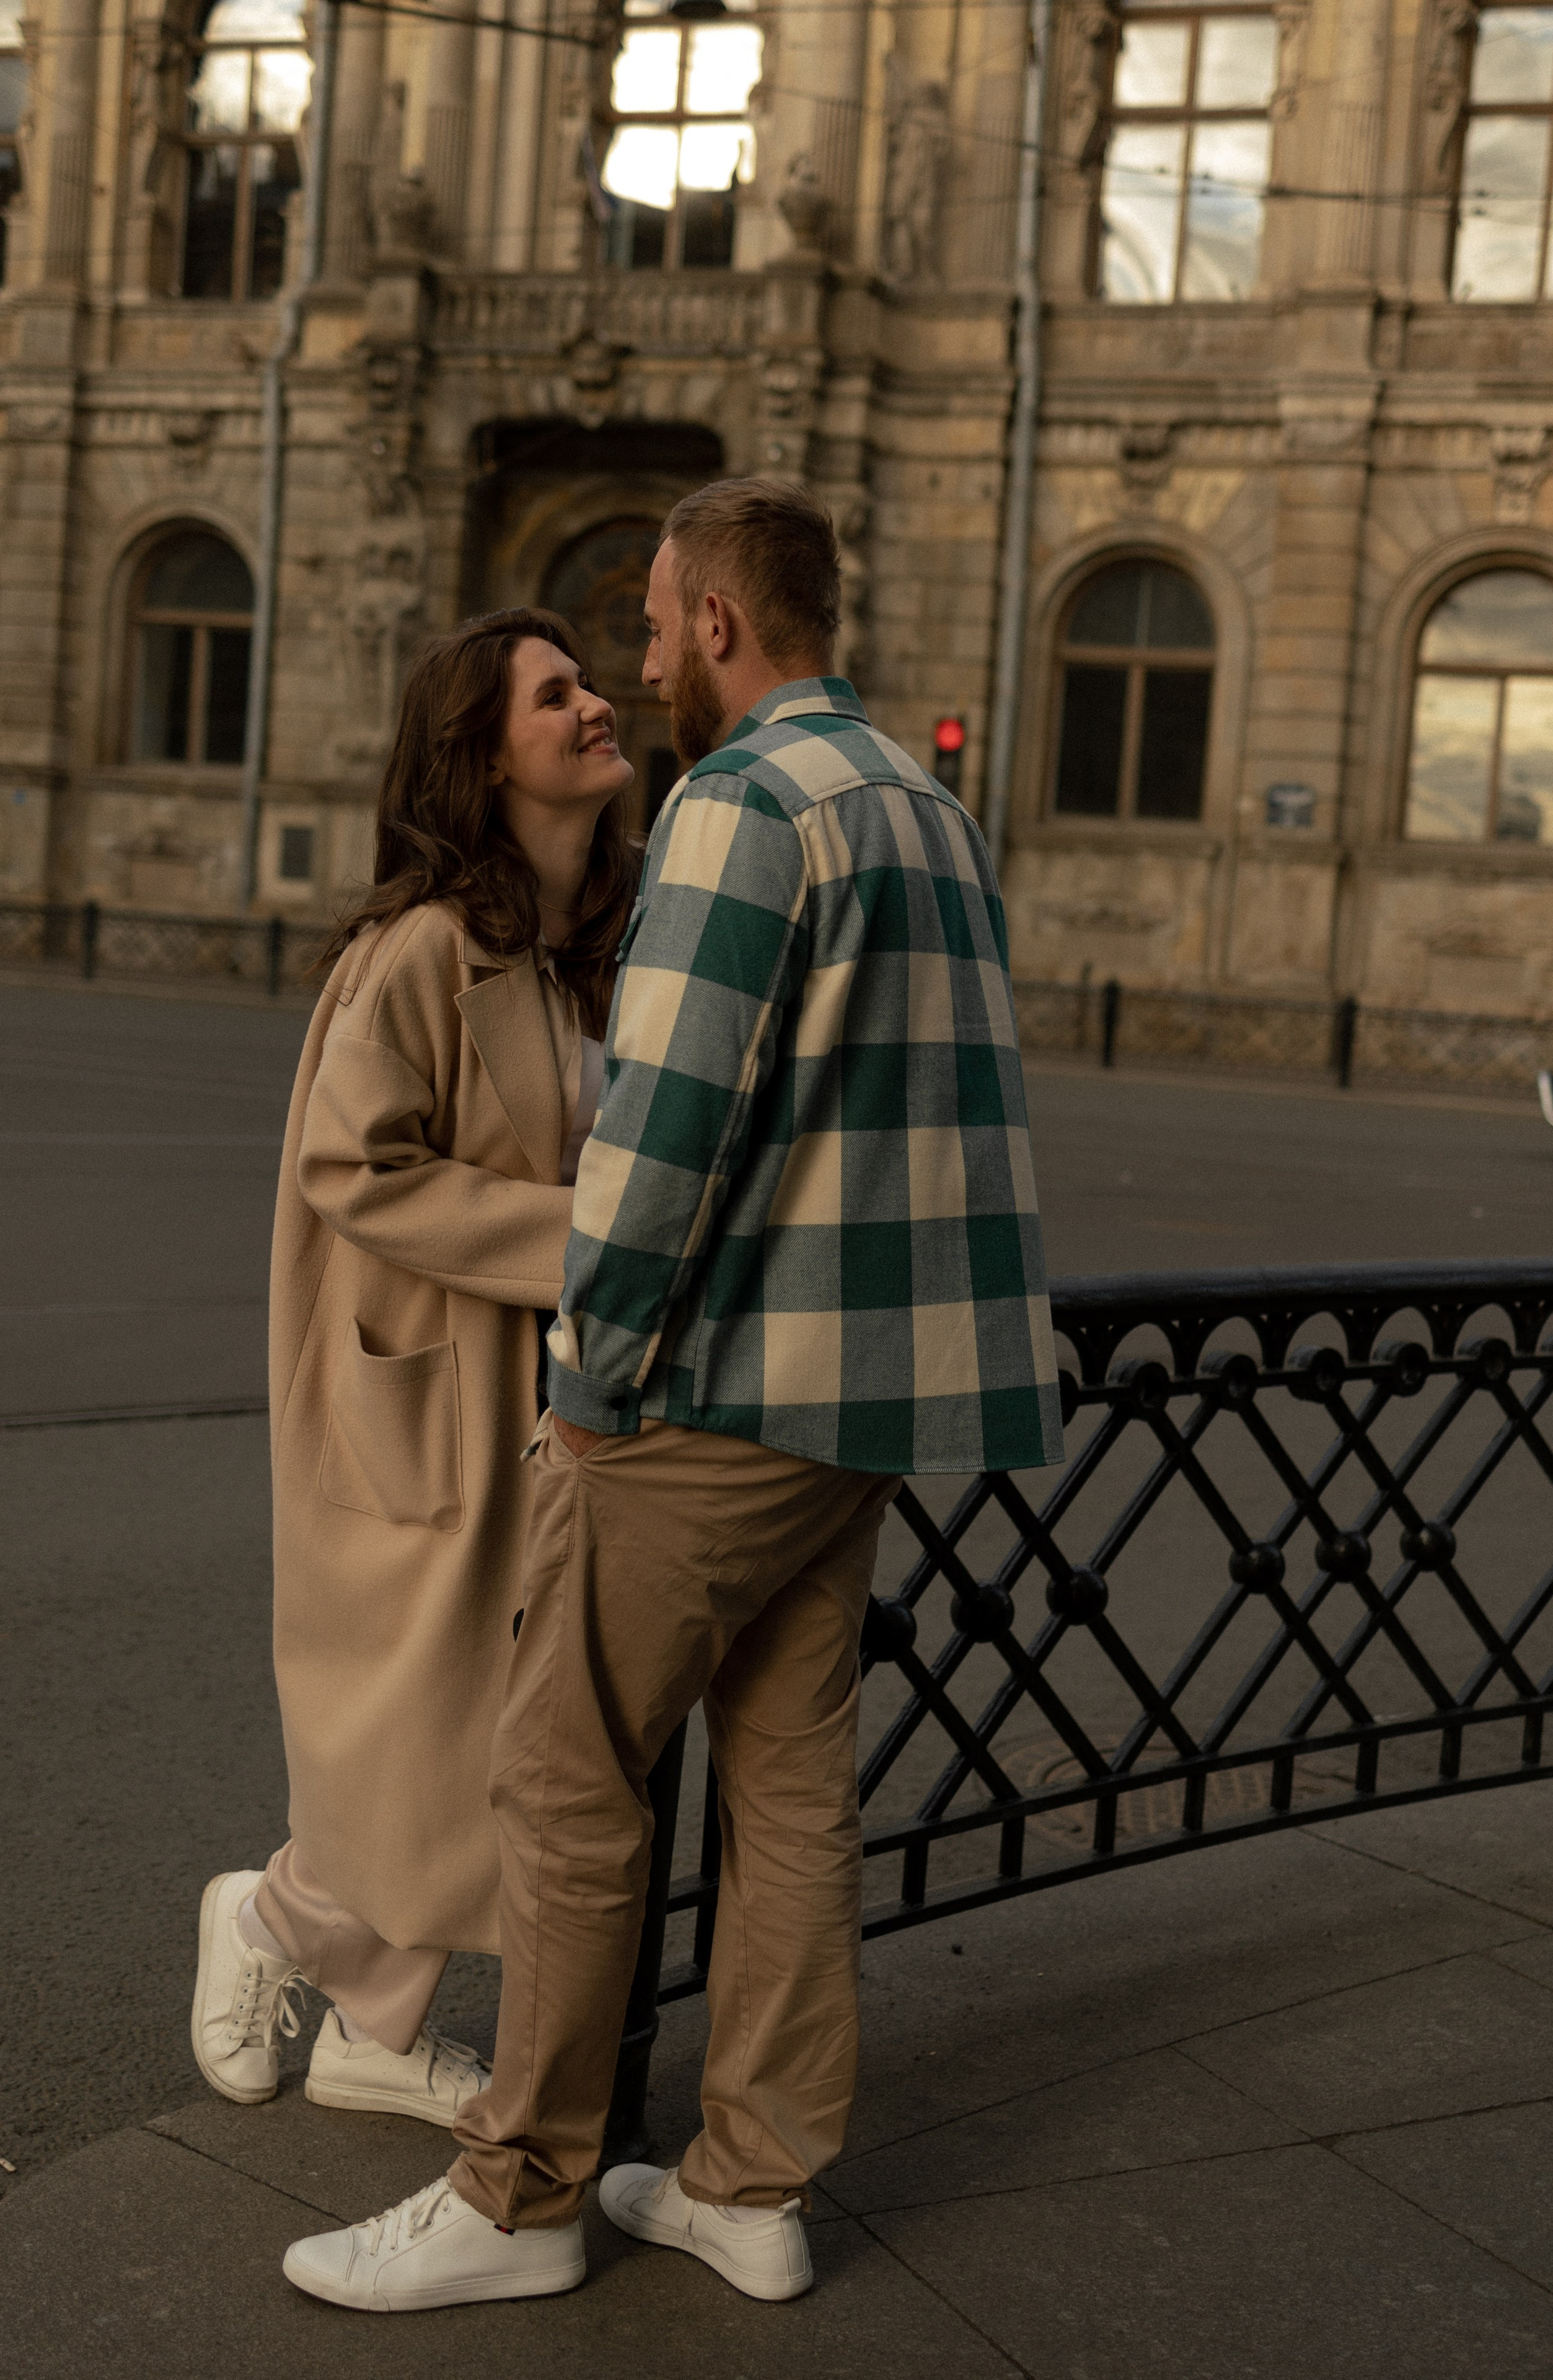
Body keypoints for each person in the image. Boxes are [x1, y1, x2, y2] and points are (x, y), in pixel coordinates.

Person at [281, 478, 1062, 2311]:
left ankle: (524, 2189)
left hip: (722, 1390)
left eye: (648, 626)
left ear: (718, 620)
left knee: (562, 1781)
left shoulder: (740, 803)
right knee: (789, 1785)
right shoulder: (925, 800)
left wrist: (598, 1379)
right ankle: (750, 2182)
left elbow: (667, 1130)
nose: (641, 666)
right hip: (878, 1398)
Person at [190, 609, 636, 2134]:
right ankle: (272, 1917)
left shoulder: (581, 945)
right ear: (480, 753)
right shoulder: (426, 947)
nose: (597, 705)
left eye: (586, 682)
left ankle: (374, 2031)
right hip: (423, 1381)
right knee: (422, 1732)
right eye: (555, 695)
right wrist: (586, 1238)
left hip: (528, 1391)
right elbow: (347, 1164)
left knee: (486, 1739)